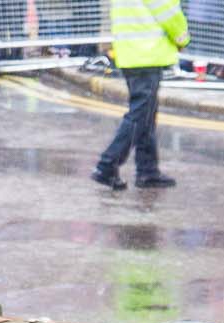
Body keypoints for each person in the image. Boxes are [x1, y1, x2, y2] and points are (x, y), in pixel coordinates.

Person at [90, 0, 186, 190]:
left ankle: (147, 169)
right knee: (140, 115)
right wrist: (182, 38)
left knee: (146, 114)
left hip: (132, 52)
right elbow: (167, 11)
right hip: (146, 53)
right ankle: (108, 164)